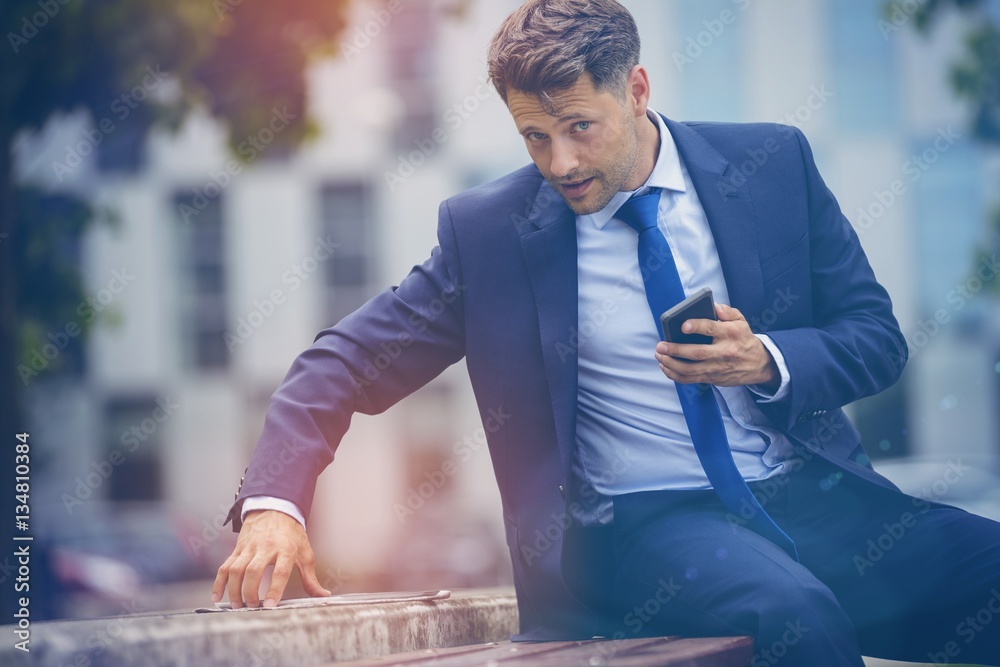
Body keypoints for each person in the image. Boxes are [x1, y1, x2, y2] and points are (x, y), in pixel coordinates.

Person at [211, 1, 1000, 664]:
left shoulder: (771, 165)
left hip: (807, 495)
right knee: (794, 615)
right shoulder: (489, 236)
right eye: (533, 136)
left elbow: (876, 337)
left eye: (579, 127)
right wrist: (275, 502)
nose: (559, 163)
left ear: (637, 89)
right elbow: (341, 360)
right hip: (644, 527)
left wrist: (767, 359)